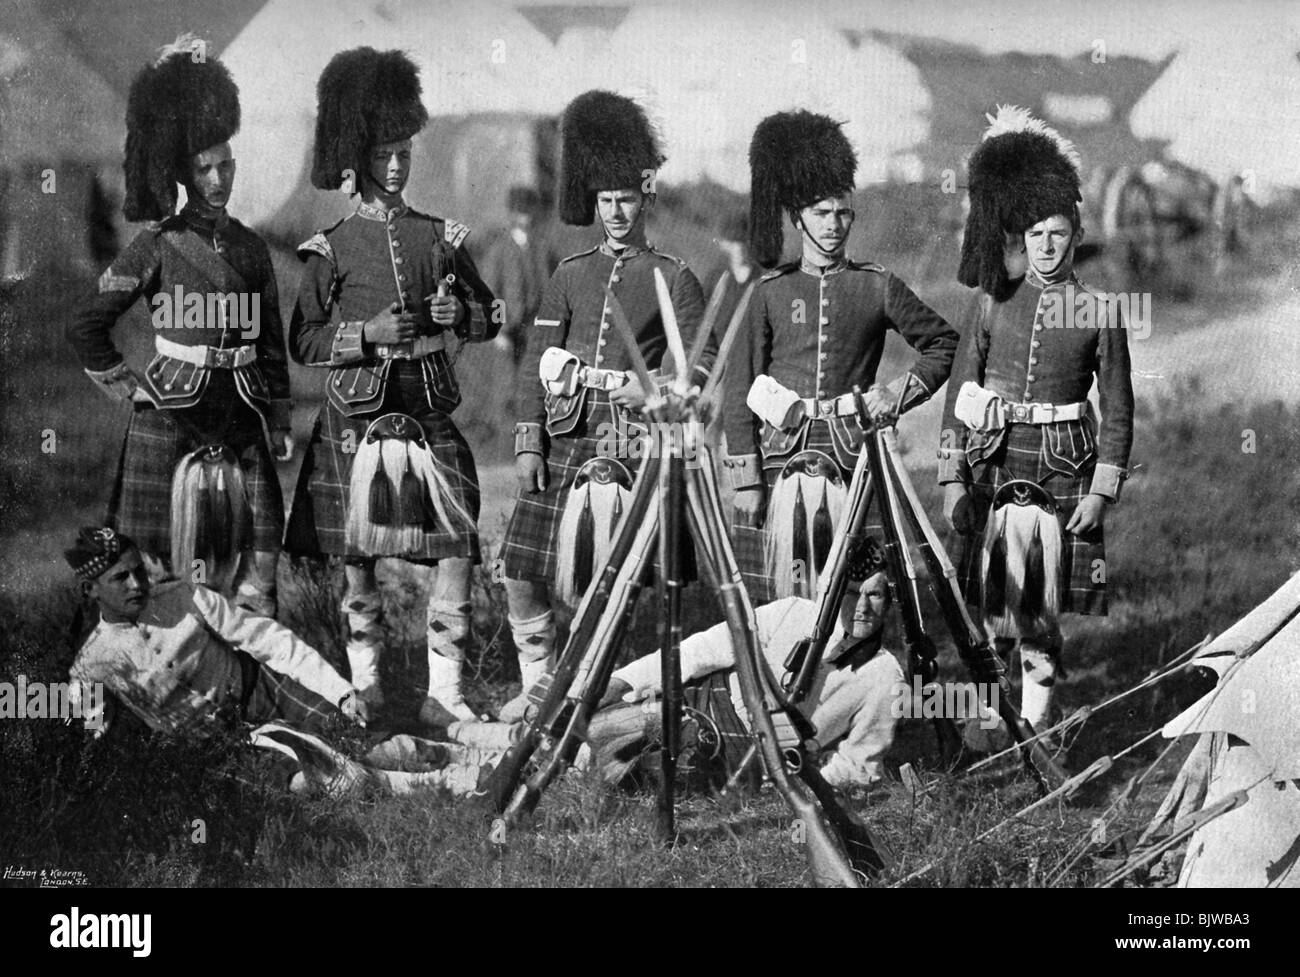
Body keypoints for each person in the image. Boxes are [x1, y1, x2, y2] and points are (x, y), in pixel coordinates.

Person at [284, 48, 498, 726]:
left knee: (458, 539)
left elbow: (490, 315)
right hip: (355, 417)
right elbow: (304, 340)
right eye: (385, 153)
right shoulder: (332, 247)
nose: (399, 164)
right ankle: (369, 689)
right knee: (356, 558)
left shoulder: (442, 236)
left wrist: (455, 313)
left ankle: (445, 693)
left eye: (406, 150)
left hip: (428, 410)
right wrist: (368, 334)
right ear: (359, 156)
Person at [495, 90, 713, 722]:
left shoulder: (674, 276)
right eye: (606, 201)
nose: (617, 213)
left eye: (627, 200)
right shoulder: (567, 273)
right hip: (563, 441)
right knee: (519, 567)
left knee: (608, 577)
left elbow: (695, 366)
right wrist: (529, 443)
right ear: (593, 201)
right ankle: (540, 686)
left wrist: (650, 389)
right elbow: (538, 359)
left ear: (646, 198)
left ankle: (587, 692)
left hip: (629, 446)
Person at [66, 35, 291, 617]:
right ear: (185, 174)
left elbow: (270, 345)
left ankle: (254, 689)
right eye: (204, 169)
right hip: (168, 414)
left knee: (262, 570)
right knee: (153, 574)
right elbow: (88, 325)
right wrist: (124, 381)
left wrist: (282, 417)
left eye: (225, 166)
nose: (218, 181)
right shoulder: (155, 245)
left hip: (243, 415)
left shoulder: (251, 248)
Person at [938, 105, 1135, 732]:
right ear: (1020, 238)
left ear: (1075, 236)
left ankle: (1040, 731)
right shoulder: (991, 302)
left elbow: (1120, 408)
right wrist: (950, 477)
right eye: (1034, 235)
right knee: (993, 607)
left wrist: (1103, 490)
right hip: (995, 464)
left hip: (1064, 469)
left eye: (1058, 234)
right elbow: (958, 390)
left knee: (1041, 613)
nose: (1046, 246)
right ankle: (992, 731)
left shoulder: (1102, 311)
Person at [64, 527, 495, 796]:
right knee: (317, 780)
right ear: (91, 591)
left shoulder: (183, 597)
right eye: (120, 578)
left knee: (368, 741)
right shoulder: (90, 668)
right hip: (214, 745)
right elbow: (93, 742)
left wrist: (342, 694)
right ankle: (435, 787)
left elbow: (270, 641)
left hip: (264, 693)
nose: (137, 583)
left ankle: (473, 758)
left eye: (138, 570)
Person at [723, 110, 958, 603]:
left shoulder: (876, 286)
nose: (833, 225)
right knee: (774, 598)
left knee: (861, 591)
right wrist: (746, 479)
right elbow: (739, 386)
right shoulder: (768, 293)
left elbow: (942, 344)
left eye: (842, 213)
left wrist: (895, 394)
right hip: (779, 453)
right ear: (797, 218)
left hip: (856, 456)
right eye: (820, 213)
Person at [593, 536, 904, 788]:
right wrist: (623, 681)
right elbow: (700, 651)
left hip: (747, 754)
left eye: (874, 594)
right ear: (835, 592)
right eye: (852, 593)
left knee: (614, 775)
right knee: (585, 733)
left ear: (889, 599)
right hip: (704, 699)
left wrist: (801, 784)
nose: (862, 607)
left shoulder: (886, 675)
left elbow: (860, 763)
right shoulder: (793, 611)